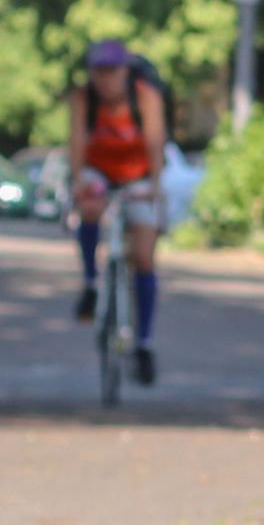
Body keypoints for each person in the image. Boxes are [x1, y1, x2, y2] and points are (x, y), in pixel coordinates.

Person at [67, 39, 170, 387]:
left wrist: (155, 184)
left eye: (111, 71)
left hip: (139, 176)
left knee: (143, 255)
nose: (104, 79)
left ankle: (143, 342)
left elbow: (156, 142)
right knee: (90, 206)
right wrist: (78, 180)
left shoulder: (145, 97)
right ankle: (90, 282)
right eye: (98, 71)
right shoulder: (85, 99)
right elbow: (77, 142)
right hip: (100, 172)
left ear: (125, 70)